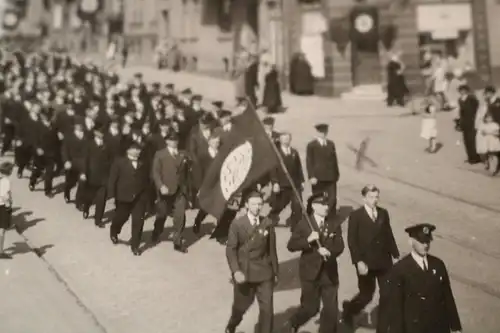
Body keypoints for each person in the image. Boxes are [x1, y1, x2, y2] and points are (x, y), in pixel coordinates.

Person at [377, 223, 462, 333]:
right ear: (411, 241)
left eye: (427, 241)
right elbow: (396, 308)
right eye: (421, 242)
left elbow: (447, 297)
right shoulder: (400, 269)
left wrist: (455, 327)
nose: (425, 245)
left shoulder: (438, 265)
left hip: (439, 327)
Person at [285, 193, 345, 333]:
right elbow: (291, 245)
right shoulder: (305, 223)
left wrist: (329, 252)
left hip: (329, 273)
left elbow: (340, 245)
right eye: (322, 204)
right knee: (310, 308)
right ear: (314, 206)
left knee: (331, 311)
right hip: (310, 273)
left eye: (327, 204)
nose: (326, 207)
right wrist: (308, 240)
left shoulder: (333, 223)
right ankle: (293, 323)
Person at [343, 185, 399, 328]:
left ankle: (383, 328)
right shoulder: (356, 216)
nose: (374, 200)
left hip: (384, 262)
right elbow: (352, 241)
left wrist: (396, 254)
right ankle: (349, 310)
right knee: (366, 295)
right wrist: (358, 262)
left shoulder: (383, 213)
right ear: (364, 198)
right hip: (365, 263)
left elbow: (388, 234)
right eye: (371, 197)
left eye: (376, 197)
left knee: (387, 295)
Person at [225, 191, 279, 333]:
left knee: (267, 310)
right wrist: (236, 271)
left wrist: (275, 272)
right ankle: (232, 325)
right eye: (254, 204)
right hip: (245, 273)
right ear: (247, 205)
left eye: (260, 204)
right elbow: (231, 249)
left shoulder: (267, 223)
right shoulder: (237, 224)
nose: (257, 207)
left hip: (264, 272)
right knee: (240, 307)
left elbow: (271, 250)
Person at [151, 131, 191, 253]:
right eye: (172, 140)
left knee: (180, 215)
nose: (174, 142)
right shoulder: (160, 154)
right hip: (165, 190)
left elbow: (189, 170)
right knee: (162, 214)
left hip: (180, 190)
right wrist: (161, 185)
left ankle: (177, 242)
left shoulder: (183, 154)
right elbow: (155, 172)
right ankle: (157, 231)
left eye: (176, 140)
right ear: (167, 141)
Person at [108, 143, 150, 256]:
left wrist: (146, 196)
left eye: (138, 149)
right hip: (123, 197)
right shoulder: (119, 162)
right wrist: (112, 196)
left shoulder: (144, 163)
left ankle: (135, 246)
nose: (137, 151)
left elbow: (147, 180)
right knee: (121, 217)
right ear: (127, 150)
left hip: (139, 197)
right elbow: (112, 179)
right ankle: (114, 230)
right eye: (134, 149)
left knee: (138, 221)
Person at [268, 132, 304, 229]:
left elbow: (298, 167)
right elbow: (273, 169)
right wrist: (275, 182)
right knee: (279, 205)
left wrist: (302, 181)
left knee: (297, 205)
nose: (286, 140)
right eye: (284, 139)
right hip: (282, 184)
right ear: (280, 140)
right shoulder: (276, 153)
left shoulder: (294, 152)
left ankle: (295, 224)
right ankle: (270, 219)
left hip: (295, 184)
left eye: (288, 138)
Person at [306, 123, 340, 217]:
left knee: (332, 198)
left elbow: (334, 160)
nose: (323, 134)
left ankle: (330, 217)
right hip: (318, 177)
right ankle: (315, 217)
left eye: (325, 131)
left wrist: (336, 174)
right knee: (318, 198)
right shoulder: (311, 145)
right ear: (317, 132)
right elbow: (309, 161)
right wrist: (311, 176)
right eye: (321, 132)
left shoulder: (330, 144)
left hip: (330, 176)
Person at [458, 84, 481, 164]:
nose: (462, 92)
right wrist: (460, 123)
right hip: (464, 122)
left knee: (472, 140)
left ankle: (475, 158)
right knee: (466, 140)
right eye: (460, 90)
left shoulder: (471, 98)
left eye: (463, 90)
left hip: (472, 121)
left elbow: (477, 108)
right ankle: (470, 157)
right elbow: (461, 112)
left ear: (466, 90)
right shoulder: (460, 99)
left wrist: (476, 119)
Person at [0, 162, 14, 259]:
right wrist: (9, 204)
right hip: (2, 206)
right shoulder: (6, 181)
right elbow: (4, 195)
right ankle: (0, 251)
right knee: (2, 230)